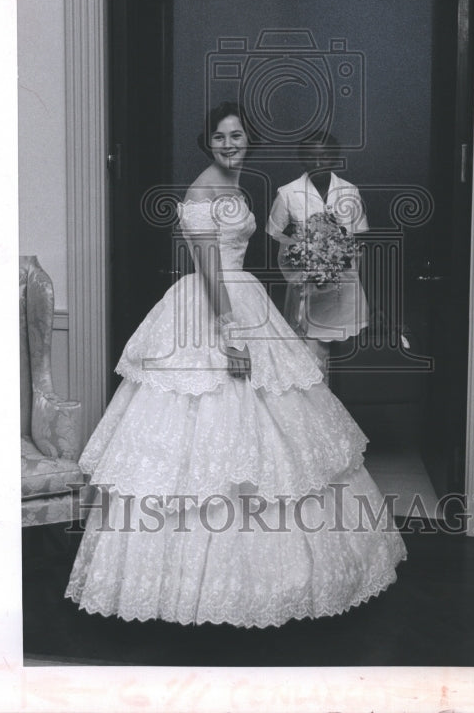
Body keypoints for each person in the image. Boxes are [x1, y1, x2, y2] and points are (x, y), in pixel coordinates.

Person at [65, 102, 405, 627]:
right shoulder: (203, 192)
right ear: (207, 143)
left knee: (277, 430)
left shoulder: (238, 186)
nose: (230, 145)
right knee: (200, 436)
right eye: (221, 138)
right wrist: (229, 334)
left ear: (248, 141)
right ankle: (187, 586)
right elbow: (207, 270)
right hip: (215, 306)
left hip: (244, 296)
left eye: (238, 136)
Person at [267, 132, 369, 378]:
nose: (318, 163)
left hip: (345, 292)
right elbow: (275, 236)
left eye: (324, 156)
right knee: (312, 364)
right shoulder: (288, 193)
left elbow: (359, 238)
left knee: (348, 366)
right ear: (303, 160)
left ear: (334, 158)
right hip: (307, 292)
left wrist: (338, 256)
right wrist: (301, 258)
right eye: (311, 157)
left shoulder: (349, 192)